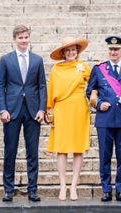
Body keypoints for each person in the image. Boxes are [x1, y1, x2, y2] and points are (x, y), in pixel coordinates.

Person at [86, 36, 121, 202]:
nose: (113, 52)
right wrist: (99, 103)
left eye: (116, 49)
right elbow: (90, 91)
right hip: (105, 119)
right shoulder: (99, 69)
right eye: (111, 49)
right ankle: (106, 189)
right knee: (105, 156)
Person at [0, 25, 47, 202]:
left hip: (33, 110)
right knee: (10, 150)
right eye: (20, 38)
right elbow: (0, 85)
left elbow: (42, 85)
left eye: (26, 37)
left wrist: (42, 108)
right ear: (14, 39)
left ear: (29, 38)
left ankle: (32, 189)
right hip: (11, 110)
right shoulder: (6, 59)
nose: (24, 40)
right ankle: (8, 189)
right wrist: (2, 109)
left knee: (32, 151)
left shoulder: (37, 60)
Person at [46, 37, 91, 201]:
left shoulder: (83, 67)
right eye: (68, 50)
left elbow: (94, 85)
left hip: (79, 108)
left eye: (74, 50)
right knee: (62, 148)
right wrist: (48, 109)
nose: (71, 52)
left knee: (78, 148)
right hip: (62, 109)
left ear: (77, 51)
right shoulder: (56, 69)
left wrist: (94, 98)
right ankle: (63, 185)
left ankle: (74, 186)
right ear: (63, 52)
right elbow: (50, 89)